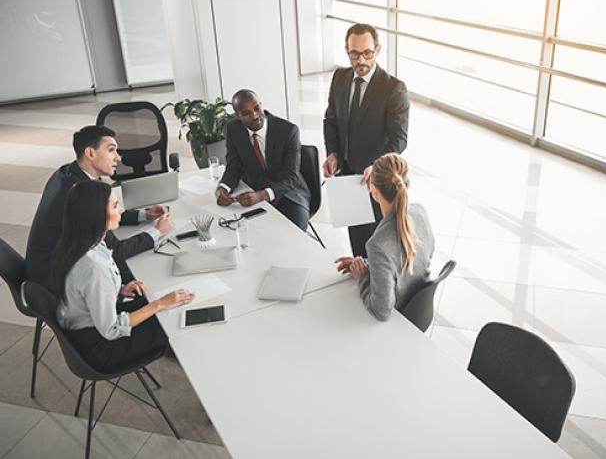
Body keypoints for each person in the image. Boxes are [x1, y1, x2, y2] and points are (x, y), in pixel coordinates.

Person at [50, 180, 193, 373]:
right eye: (115, 205)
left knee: (155, 301)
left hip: (87, 324)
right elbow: (111, 330)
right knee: (171, 317)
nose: (123, 210)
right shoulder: (94, 267)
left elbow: (84, 290)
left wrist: (120, 289)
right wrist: (159, 304)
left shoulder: (76, 242)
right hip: (102, 348)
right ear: (97, 215)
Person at [26, 125, 171, 288]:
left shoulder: (70, 173)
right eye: (111, 150)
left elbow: (102, 212)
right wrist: (157, 232)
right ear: (90, 153)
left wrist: (144, 215)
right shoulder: (80, 193)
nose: (119, 158)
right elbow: (115, 251)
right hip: (54, 279)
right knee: (150, 269)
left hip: (44, 266)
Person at [323, 23, 410, 257]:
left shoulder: (394, 89)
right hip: (347, 176)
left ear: (377, 50)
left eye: (367, 53)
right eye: (354, 53)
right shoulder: (340, 78)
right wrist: (332, 153)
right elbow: (331, 119)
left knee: (377, 244)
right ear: (347, 51)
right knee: (356, 241)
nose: (361, 60)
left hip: (376, 178)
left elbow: (399, 139)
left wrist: (377, 166)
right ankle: (360, 284)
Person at [335, 153, 434, 321]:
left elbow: (381, 311)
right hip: (419, 310)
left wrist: (362, 277)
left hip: (398, 319)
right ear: (407, 184)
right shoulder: (420, 212)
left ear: (373, 190)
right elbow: (402, 257)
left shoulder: (377, 244)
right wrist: (367, 264)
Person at [216, 89, 311, 230]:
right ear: (238, 116)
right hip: (253, 190)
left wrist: (263, 195)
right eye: (246, 113)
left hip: (289, 194)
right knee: (240, 231)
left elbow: (291, 177)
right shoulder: (233, 129)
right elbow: (234, 166)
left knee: (292, 235)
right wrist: (223, 187)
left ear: (261, 105)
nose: (254, 116)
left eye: (256, 108)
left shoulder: (288, 131)